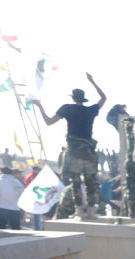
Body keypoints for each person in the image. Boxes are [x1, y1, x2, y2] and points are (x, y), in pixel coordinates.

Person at [32, 73, 106, 217]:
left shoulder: (67, 108)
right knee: (91, 182)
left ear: (72, 98)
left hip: (73, 151)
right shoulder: (90, 110)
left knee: (75, 182)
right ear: (83, 99)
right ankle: (91, 210)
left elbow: (48, 121)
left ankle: (80, 210)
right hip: (89, 152)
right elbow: (103, 98)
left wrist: (40, 106)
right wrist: (93, 81)